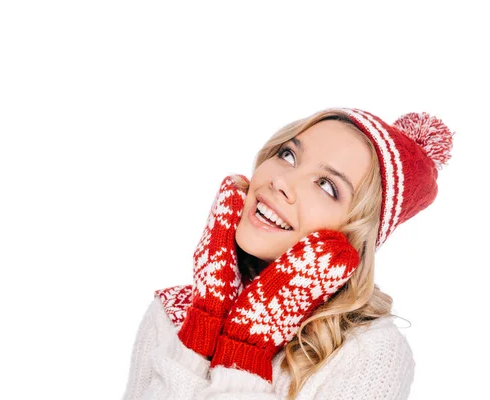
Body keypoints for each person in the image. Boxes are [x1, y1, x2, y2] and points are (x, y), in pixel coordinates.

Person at [122, 107, 453, 399]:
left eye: (326, 185)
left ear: (354, 235)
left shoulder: (369, 353)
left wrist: (246, 348)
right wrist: (205, 318)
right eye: (288, 155)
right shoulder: (171, 316)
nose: (281, 181)